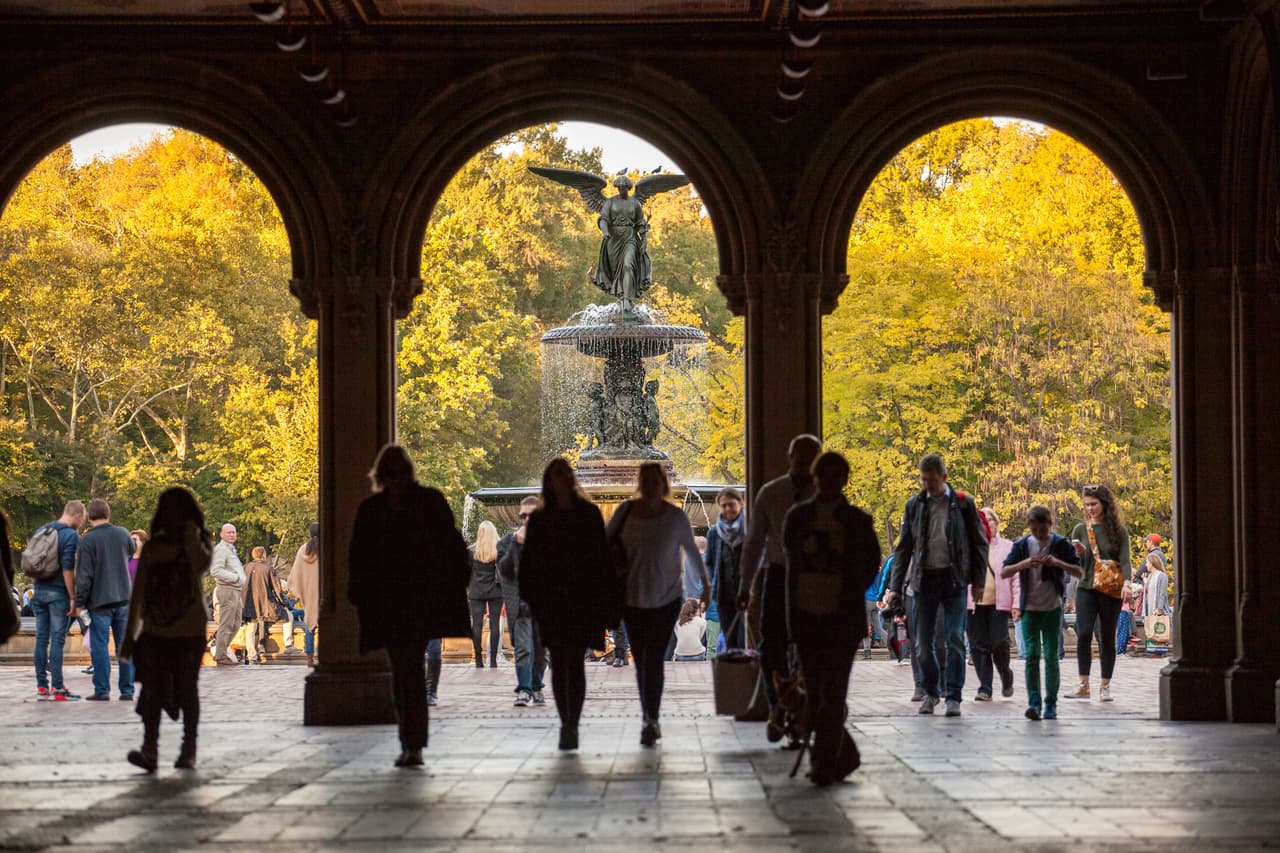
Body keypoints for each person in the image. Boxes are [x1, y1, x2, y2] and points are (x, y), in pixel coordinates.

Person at [348, 444, 471, 768]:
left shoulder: (372, 509)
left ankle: (411, 742)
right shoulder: (429, 503)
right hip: (412, 603)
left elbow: (359, 559)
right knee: (407, 672)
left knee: (406, 672)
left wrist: (359, 596)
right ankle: (412, 741)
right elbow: (453, 548)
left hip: (400, 604)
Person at [783, 451, 882, 786]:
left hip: (841, 619)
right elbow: (790, 570)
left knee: (833, 692)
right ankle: (840, 755)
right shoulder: (797, 518)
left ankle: (824, 762)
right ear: (815, 477)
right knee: (816, 691)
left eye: (836, 474)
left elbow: (870, 565)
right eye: (824, 474)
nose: (829, 480)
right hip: (807, 615)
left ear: (844, 479)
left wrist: (846, 588)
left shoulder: (857, 521)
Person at [607, 462, 710, 746]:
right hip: (633, 597)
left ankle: (651, 717)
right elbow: (604, 545)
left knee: (655, 661)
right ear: (641, 482)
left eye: (656, 479)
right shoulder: (625, 512)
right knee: (643, 661)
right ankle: (648, 715)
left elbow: (692, 551)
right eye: (647, 479)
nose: (652, 484)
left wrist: (707, 586)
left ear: (662, 483)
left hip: (666, 599)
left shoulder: (676, 516)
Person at [520, 457, 614, 751]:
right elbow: (529, 565)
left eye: (565, 474)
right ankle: (566, 722)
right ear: (550, 480)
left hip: (581, 601)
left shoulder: (588, 514)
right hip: (551, 604)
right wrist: (531, 598)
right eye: (556, 475)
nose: (561, 479)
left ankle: (571, 723)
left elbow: (602, 561)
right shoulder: (541, 519)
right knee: (560, 665)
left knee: (573, 662)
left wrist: (603, 600)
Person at [884, 453, 989, 717]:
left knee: (954, 638)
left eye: (932, 480)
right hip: (924, 581)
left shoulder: (963, 505)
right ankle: (930, 693)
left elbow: (979, 544)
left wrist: (978, 581)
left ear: (944, 477)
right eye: (923, 480)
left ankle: (953, 696)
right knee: (922, 643)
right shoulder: (915, 505)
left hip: (953, 580)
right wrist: (895, 586)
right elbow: (904, 548)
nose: (927, 485)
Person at [119, 488, 213, 771]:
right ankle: (154, 749)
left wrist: (189, 533)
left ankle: (184, 749)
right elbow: (139, 594)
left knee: (186, 689)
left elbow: (200, 564)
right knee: (153, 691)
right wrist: (129, 637)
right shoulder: (153, 547)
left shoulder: (198, 542)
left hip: (186, 630)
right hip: (160, 631)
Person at [737, 434, 821, 722]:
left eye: (810, 463)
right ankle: (780, 702)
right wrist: (745, 585)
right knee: (770, 646)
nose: (804, 469)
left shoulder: (825, 494)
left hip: (815, 578)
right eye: (800, 462)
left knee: (810, 646)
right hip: (778, 574)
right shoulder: (771, 493)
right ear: (789, 459)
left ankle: (797, 704)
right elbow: (754, 543)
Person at [1000, 505, 1081, 720]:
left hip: (1052, 607)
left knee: (1052, 657)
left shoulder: (1060, 544)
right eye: (1035, 530)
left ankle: (1051, 704)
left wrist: (1058, 563)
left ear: (1050, 525)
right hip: (1029, 608)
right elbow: (1004, 571)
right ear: (1029, 527)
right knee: (1032, 656)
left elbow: (1079, 571)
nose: (1039, 535)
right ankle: (1034, 703)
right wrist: (1024, 564)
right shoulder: (1022, 545)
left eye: (1043, 531)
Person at [1067, 483, 1131, 702]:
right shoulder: (1080, 529)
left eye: (1094, 504)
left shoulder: (1119, 531)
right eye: (1086, 505)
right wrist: (1075, 554)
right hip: (1086, 586)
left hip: (1110, 588)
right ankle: (1083, 683)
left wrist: (1127, 583)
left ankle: (1105, 685)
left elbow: (1125, 560)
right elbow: (1073, 562)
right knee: (1083, 632)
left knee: (1106, 637)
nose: (1090, 508)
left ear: (1104, 504)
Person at [74, 499, 136, 701]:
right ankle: (127, 690)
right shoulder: (123, 534)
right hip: (123, 597)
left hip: (99, 601)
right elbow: (130, 552)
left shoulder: (88, 541)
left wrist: (79, 601)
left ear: (89, 517)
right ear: (108, 513)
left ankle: (102, 689)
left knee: (100, 645)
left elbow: (84, 575)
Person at [29, 500, 85, 701]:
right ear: (77, 515)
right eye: (82, 518)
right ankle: (58, 688)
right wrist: (73, 596)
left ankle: (41, 687)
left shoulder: (42, 530)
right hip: (59, 594)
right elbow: (68, 568)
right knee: (57, 640)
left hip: (39, 590)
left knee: (41, 639)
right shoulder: (70, 535)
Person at [497, 496, 549, 705]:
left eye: (532, 515)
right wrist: (515, 545)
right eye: (523, 515)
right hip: (520, 606)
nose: (527, 519)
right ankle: (524, 690)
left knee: (541, 654)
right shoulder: (507, 542)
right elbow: (503, 571)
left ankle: (536, 687)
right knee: (523, 650)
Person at [966, 507, 1018, 701]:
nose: (986, 524)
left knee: (999, 643)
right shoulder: (969, 547)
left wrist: (1017, 603)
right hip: (973, 604)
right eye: (981, 521)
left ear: (997, 523)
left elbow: (1017, 578)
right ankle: (985, 687)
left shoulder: (1008, 547)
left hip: (998, 603)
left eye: (990, 520)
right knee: (978, 646)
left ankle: (1006, 673)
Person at [706, 487, 745, 650]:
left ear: (740, 504)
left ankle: (748, 675)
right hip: (724, 595)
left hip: (747, 594)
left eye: (731, 504)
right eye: (724, 505)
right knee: (730, 641)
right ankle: (734, 675)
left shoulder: (750, 528)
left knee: (746, 640)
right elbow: (709, 562)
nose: (728, 509)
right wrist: (713, 583)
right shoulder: (714, 533)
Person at [242, 546, 289, 664]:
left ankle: (252, 656)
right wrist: (284, 603)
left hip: (249, 605)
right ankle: (289, 645)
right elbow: (277, 588)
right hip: (265, 604)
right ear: (263, 555)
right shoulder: (268, 568)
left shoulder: (245, 567)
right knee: (287, 617)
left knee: (251, 629)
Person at [468, 520, 504, 669]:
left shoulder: (471, 550)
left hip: (476, 591)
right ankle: (493, 660)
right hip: (495, 590)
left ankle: (478, 659)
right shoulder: (499, 549)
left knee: (477, 625)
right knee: (495, 624)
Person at [209, 523, 245, 667]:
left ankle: (221, 650)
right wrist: (235, 578)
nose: (232, 535)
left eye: (234, 532)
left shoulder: (230, 550)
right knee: (227, 623)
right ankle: (220, 654)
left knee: (236, 624)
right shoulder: (221, 550)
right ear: (221, 534)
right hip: (227, 589)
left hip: (235, 590)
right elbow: (215, 571)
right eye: (229, 532)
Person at [289, 522, 320, 667]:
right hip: (322, 592)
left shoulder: (303, 550)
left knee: (309, 626)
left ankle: (309, 659)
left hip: (308, 592)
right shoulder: (326, 549)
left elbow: (296, 574)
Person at [1143, 552, 1170, 619]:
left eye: (1147, 562)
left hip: (1158, 612)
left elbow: (1162, 594)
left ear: (1152, 563)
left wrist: (1159, 609)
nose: (1146, 565)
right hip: (1148, 609)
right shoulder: (1150, 576)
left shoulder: (1162, 576)